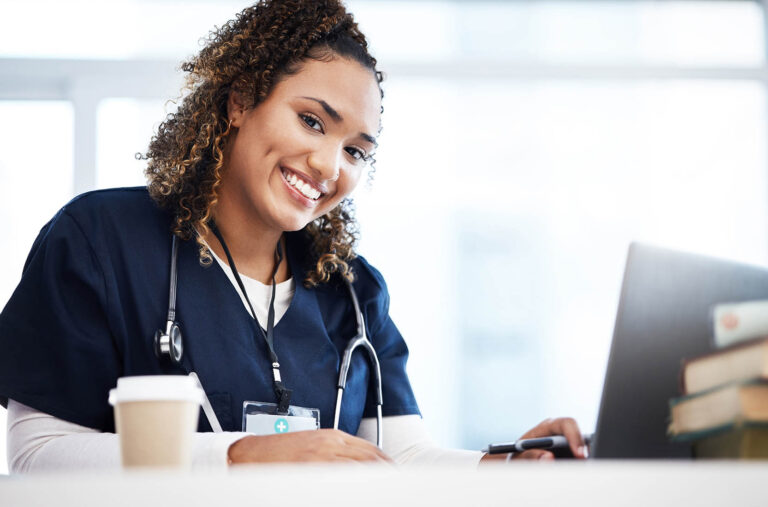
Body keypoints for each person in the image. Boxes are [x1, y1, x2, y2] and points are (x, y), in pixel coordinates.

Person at [0, 0, 586, 472]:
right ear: (239, 101)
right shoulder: (101, 241)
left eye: (355, 150)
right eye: (312, 120)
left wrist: (498, 466)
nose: (331, 165)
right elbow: (36, 455)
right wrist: (240, 456)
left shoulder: (352, 292)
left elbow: (400, 458)